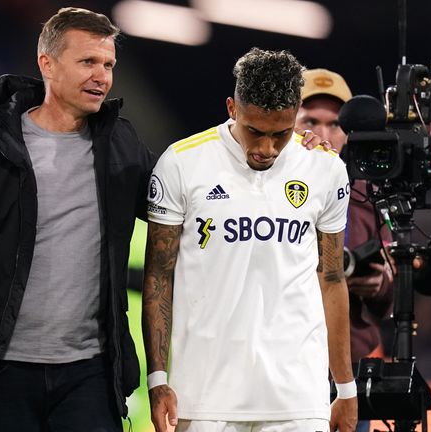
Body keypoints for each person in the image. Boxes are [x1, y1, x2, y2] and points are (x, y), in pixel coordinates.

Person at [0, 7, 155, 431]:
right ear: (47, 63)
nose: (102, 75)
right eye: (88, 62)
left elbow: (183, 198)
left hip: (90, 374)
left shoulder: (122, 143)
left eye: (109, 65)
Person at [143, 48, 357, 432]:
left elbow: (332, 278)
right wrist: (158, 380)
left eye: (281, 134)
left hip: (298, 398)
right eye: (254, 131)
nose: (266, 149)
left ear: (295, 114)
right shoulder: (182, 163)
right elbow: (159, 275)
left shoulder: (325, 169)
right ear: (232, 108)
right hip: (205, 395)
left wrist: (345, 387)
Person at [298, 68, 394, 365]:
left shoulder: (370, 198)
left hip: (347, 366)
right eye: (310, 121)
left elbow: (391, 292)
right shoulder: (261, 191)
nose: (323, 136)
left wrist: (380, 285)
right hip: (281, 364)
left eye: (336, 124)